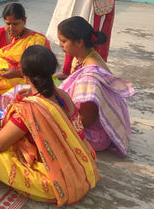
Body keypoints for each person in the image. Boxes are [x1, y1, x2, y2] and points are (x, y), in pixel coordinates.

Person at [0, 46, 99, 206]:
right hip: (83, 168)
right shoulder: (61, 95)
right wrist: (2, 123)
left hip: (55, 183)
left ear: (23, 73)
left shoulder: (30, 108)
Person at [57, 16, 134, 156]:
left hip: (95, 135)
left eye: (64, 41)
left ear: (80, 42)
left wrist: (58, 111)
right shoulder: (86, 56)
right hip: (90, 123)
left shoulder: (89, 78)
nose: (60, 45)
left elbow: (86, 120)